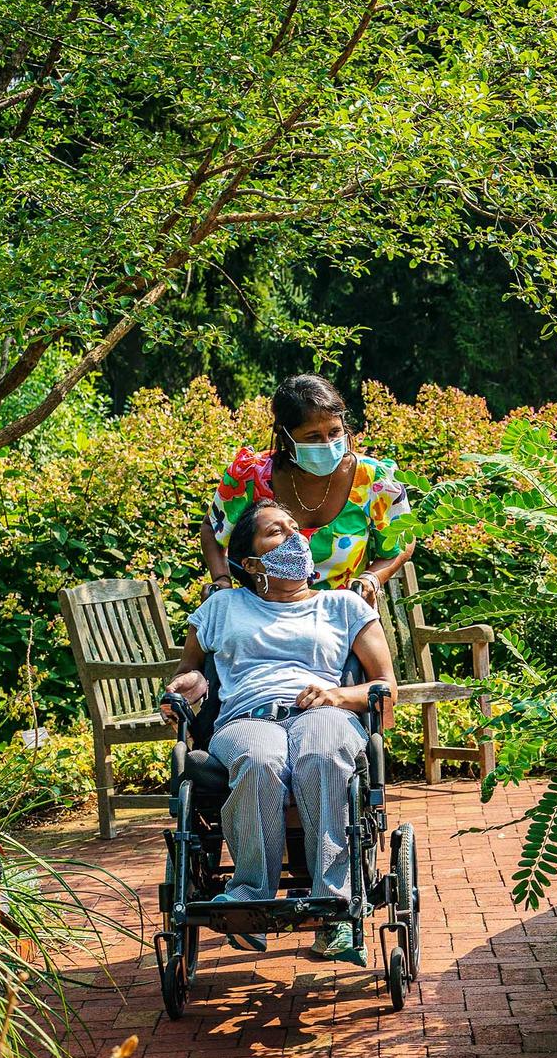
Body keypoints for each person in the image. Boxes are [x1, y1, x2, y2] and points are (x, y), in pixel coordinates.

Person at [164, 499, 397, 962]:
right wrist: (186, 688)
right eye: (276, 532)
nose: (293, 537)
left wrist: (337, 696)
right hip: (246, 717)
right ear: (250, 562)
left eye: (295, 527)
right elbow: (192, 674)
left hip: (323, 711)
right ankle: (249, 898)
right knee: (259, 759)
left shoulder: (344, 605)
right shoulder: (221, 607)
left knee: (323, 755)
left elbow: (386, 690)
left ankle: (337, 907)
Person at [200, 374, 413, 606]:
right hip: (262, 616)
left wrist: (371, 579)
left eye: (334, 432)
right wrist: (221, 581)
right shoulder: (250, 475)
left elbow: (402, 541)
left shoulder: (374, 479)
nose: (327, 444)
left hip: (342, 618)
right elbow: (213, 529)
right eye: (313, 437)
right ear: (285, 435)